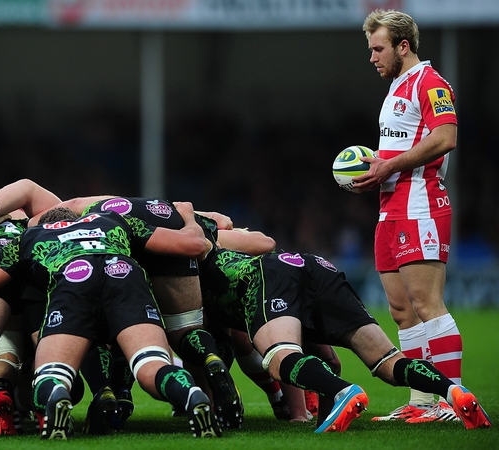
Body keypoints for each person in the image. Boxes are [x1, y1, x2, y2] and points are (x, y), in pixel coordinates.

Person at [0, 205, 223, 439]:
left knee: (52, 374)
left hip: (75, 279)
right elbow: (194, 246)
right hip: (124, 275)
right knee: (151, 364)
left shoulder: (31, 236)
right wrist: (188, 218)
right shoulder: (115, 220)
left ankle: (56, 395)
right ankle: (191, 394)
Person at [198, 245, 491, 432]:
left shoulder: (196, 271)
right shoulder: (218, 248)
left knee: (277, 358)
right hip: (315, 266)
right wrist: (326, 416)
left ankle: (345, 391)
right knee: (388, 361)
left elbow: (242, 343)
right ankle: (454, 393)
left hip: (269, 275)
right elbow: (330, 361)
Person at [355, 9, 464, 423]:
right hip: (390, 209)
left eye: (379, 48)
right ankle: (422, 402)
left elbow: (446, 137)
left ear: (404, 46)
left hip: (420, 206)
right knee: (402, 311)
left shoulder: (430, 82)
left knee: (426, 303)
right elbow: (399, 150)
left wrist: (389, 165)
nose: (372, 57)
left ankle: (453, 402)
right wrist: (371, 167)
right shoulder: (397, 88)